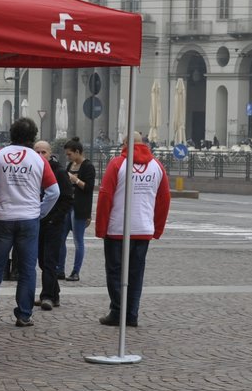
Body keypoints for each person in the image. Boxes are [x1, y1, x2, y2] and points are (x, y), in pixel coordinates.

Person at [0, 116, 57, 328]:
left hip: (3, 217)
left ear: (12, 134)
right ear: (33, 137)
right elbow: (53, 192)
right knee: (28, 269)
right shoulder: (39, 160)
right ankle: (23, 314)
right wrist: (40, 211)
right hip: (29, 218)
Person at [96, 133, 170, 328]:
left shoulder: (117, 164)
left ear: (125, 144)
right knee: (136, 274)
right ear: (143, 144)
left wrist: (101, 228)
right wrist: (157, 228)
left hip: (117, 228)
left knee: (115, 272)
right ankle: (132, 313)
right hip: (143, 228)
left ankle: (117, 311)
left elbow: (105, 196)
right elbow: (164, 199)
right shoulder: (157, 166)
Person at [34, 140, 74, 311]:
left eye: (43, 152)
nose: (40, 156)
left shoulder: (58, 171)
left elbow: (67, 198)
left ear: (50, 153)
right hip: (37, 221)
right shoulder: (33, 169)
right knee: (42, 260)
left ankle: (48, 296)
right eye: (37, 152)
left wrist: (54, 218)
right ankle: (54, 294)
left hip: (53, 223)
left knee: (50, 260)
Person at [61, 138, 95, 281]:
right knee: (60, 238)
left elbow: (88, 188)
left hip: (80, 208)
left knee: (78, 241)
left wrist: (74, 179)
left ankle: (75, 271)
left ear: (77, 152)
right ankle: (59, 269)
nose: (67, 157)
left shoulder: (88, 166)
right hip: (67, 206)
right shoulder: (70, 165)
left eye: (69, 154)